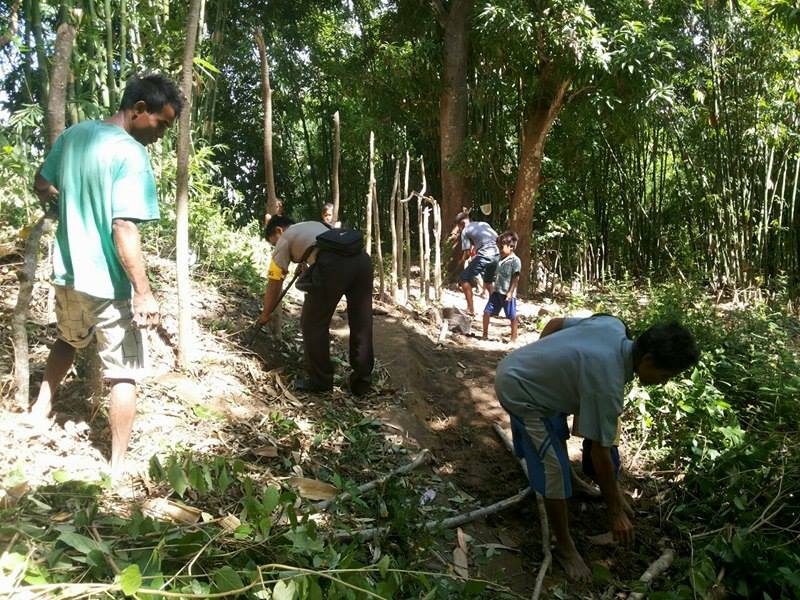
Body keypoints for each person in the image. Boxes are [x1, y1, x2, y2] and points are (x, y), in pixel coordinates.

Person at [28, 74, 183, 481]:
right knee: (125, 370)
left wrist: (65, 204)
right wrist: (143, 292)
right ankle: (117, 467)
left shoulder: (77, 135)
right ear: (138, 110)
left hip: (68, 272)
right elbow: (124, 228)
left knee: (68, 338)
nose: (162, 134)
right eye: (162, 124)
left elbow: (41, 183)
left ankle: (40, 408)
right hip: (109, 283)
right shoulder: (130, 154)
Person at [495, 315, 699, 580]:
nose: (664, 382)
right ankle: (565, 548)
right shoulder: (608, 384)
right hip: (518, 388)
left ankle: (573, 481)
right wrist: (614, 511)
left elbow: (556, 323)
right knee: (552, 468)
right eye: (665, 375)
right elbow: (599, 453)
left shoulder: (612, 326)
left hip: (522, 370)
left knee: (557, 434)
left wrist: (544, 364)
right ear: (647, 360)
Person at [258, 216, 374, 395]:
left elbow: (274, 282)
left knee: (312, 323)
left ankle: (320, 381)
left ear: (279, 231)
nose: (276, 247)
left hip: (334, 267)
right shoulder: (313, 225)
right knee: (362, 322)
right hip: (362, 261)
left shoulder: (285, 237)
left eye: (274, 243)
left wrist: (265, 314)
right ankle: (362, 383)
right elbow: (325, 247)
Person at [455, 211, 500, 316]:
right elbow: (497, 238)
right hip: (496, 254)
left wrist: (461, 261)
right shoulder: (483, 224)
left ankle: (470, 309)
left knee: (463, 278)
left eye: (458, 227)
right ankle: (495, 309)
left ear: (461, 224)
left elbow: (466, 254)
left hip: (484, 255)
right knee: (488, 282)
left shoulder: (465, 231)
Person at [482, 231, 521, 342]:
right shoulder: (499, 259)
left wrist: (510, 291)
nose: (499, 250)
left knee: (511, 316)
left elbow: (515, 278)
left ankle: (514, 337)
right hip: (497, 291)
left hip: (507, 293)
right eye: (498, 248)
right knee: (486, 312)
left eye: (501, 248)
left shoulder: (515, 261)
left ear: (511, 247)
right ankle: (484, 334)